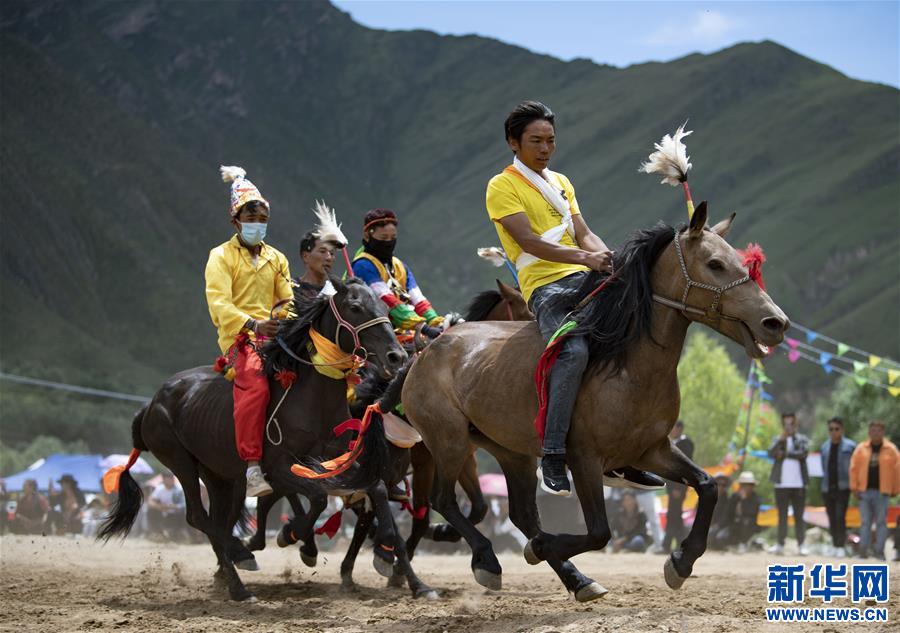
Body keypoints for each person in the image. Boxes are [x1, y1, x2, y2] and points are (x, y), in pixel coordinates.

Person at [484, 100, 662, 496]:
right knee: (573, 352)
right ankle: (551, 453)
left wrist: (611, 258)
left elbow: (584, 232)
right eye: (535, 141)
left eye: (550, 140)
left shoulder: (562, 182)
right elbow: (528, 241)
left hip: (584, 276)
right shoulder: (502, 185)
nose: (545, 148)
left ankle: (625, 453)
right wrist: (587, 257)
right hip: (545, 286)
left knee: (636, 336)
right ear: (514, 142)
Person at [205, 165, 293, 497]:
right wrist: (254, 324)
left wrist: (283, 320)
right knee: (255, 387)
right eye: (251, 217)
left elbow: (288, 299)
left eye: (263, 218)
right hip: (242, 338)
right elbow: (218, 303)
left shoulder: (277, 258)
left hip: (278, 333)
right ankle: (253, 467)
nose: (258, 223)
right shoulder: (220, 257)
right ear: (236, 221)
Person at [351, 208, 443, 338]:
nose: (389, 242)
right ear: (367, 235)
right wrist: (423, 327)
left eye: (393, 238)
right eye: (384, 238)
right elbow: (388, 301)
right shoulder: (362, 265)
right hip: (372, 336)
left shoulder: (400, 266)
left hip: (403, 333)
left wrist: (436, 322)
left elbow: (418, 299)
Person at [849, 420, 900, 560]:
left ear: (883, 432)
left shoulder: (891, 450)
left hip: (883, 492)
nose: (875, 433)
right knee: (865, 522)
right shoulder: (861, 449)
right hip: (864, 491)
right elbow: (853, 469)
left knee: (881, 522)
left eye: (878, 430)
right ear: (869, 432)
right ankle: (863, 551)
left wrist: (895, 488)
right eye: (873, 430)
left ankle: (879, 552)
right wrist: (854, 487)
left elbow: (897, 471)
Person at [767, 412, 810, 555]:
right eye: (786, 424)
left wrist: (784, 454)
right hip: (781, 484)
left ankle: (801, 544)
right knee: (782, 516)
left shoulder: (802, 439)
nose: (789, 426)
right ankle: (780, 544)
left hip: (799, 484)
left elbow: (803, 453)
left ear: (796, 424)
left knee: (799, 515)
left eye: (791, 423)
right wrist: (780, 440)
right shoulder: (778, 439)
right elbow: (771, 453)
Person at [819, 416, 856, 557]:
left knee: (840, 517)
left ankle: (841, 545)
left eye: (836, 429)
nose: (834, 432)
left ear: (842, 429)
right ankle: (834, 545)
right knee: (831, 517)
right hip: (828, 487)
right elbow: (823, 466)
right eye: (831, 429)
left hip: (843, 487)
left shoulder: (850, 446)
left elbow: (855, 468)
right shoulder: (824, 447)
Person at [661, 420, 695, 553]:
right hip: (671, 484)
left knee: (674, 514)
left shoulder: (685, 444)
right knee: (673, 514)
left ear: (680, 429)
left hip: (678, 485)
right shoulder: (668, 443)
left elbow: (683, 467)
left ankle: (670, 544)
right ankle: (676, 543)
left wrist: (679, 487)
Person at [717, 471, 761, 553]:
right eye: (743, 484)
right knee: (720, 537)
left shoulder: (756, 499)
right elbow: (727, 513)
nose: (745, 487)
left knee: (746, 521)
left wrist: (744, 500)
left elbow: (750, 514)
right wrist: (719, 525)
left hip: (748, 527)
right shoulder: (734, 497)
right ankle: (733, 544)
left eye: (748, 485)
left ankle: (744, 543)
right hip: (733, 526)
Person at [295, 230, 336, 299]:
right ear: (305, 256)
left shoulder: (337, 294)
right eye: (322, 251)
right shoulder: (289, 290)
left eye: (332, 253)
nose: (329, 258)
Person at [147, 473, 187, 541]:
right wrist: (159, 506)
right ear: (163, 480)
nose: (169, 481)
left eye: (170, 479)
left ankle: (178, 533)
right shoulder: (160, 489)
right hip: (163, 512)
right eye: (167, 479)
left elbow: (184, 503)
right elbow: (150, 501)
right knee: (151, 511)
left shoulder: (179, 490)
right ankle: (157, 532)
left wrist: (175, 507)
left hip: (176, 514)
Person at [707, 474, 732, 550]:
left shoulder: (728, 500)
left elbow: (725, 517)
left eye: (723, 485)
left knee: (714, 534)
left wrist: (716, 525)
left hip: (721, 526)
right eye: (719, 484)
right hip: (708, 525)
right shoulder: (708, 497)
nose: (721, 487)